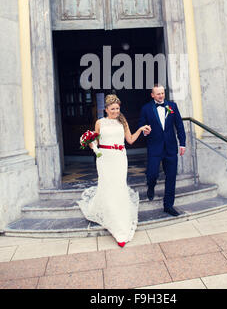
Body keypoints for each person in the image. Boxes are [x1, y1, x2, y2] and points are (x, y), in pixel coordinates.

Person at [77, 94, 151, 247]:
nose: (116, 111)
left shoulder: (122, 122)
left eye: (118, 108)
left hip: (120, 158)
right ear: (106, 109)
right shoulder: (100, 122)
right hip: (104, 158)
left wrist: (140, 129)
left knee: (119, 187)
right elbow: (96, 141)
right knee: (108, 186)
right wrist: (91, 144)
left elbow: (129, 140)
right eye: (113, 109)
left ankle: (121, 223)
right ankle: (113, 221)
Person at [138, 84, 186, 217]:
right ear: (152, 95)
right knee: (152, 173)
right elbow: (141, 124)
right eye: (158, 94)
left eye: (162, 93)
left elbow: (179, 125)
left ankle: (168, 205)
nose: (161, 96)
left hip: (171, 147)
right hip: (154, 147)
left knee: (171, 177)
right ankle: (151, 185)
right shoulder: (146, 108)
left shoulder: (172, 106)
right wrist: (145, 131)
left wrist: (182, 143)